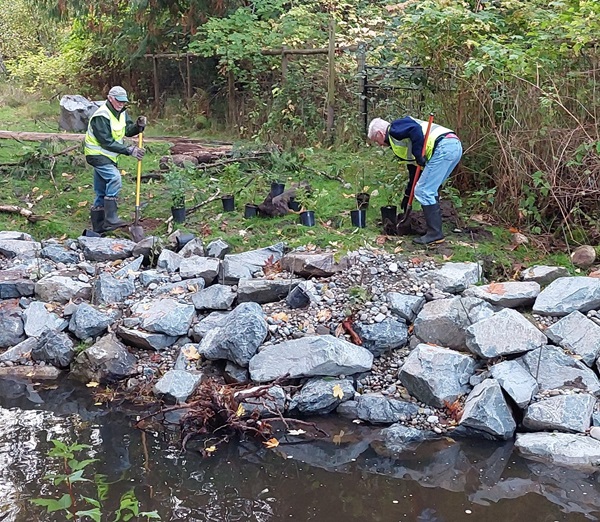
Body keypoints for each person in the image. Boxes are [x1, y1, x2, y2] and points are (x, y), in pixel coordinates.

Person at [368, 115, 462, 244]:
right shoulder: (399, 140)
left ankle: (435, 234)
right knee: (429, 189)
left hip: (444, 147)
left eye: (376, 140)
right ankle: (434, 231)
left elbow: (415, 129)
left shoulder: (394, 129)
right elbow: (414, 171)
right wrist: (407, 196)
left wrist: (418, 155)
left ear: (379, 133)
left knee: (424, 190)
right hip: (453, 145)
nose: (379, 145)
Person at [84, 85, 147, 233]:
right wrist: (129, 150)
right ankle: (111, 218)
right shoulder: (101, 116)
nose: (121, 104)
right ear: (110, 98)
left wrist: (137, 126)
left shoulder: (122, 113)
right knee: (114, 178)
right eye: (118, 101)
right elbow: (106, 141)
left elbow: (127, 130)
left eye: (123, 101)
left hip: (108, 156)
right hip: (97, 155)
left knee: (101, 190)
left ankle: (99, 227)